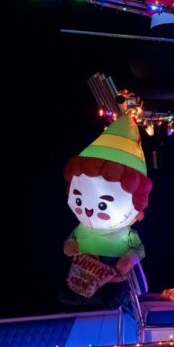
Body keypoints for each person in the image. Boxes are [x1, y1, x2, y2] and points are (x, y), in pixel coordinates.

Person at [61, 115, 153, 311]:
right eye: (79, 199)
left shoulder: (128, 234)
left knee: (111, 302)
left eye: (103, 205)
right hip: (82, 275)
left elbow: (139, 250)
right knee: (70, 299)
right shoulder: (82, 226)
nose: (88, 209)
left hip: (113, 277)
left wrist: (130, 259)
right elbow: (71, 239)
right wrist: (70, 245)